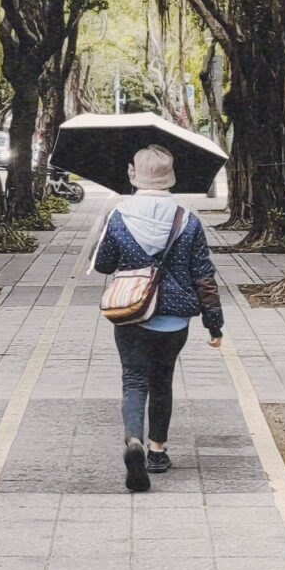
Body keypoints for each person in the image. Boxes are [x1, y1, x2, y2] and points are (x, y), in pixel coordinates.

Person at [91, 145, 224, 492]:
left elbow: (103, 264)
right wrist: (214, 323)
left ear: (133, 174)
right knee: (162, 381)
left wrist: (107, 233)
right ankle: (157, 452)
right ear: (171, 177)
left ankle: (133, 440)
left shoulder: (118, 216)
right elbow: (203, 275)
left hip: (131, 313)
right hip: (174, 320)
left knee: (134, 380)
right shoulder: (187, 220)